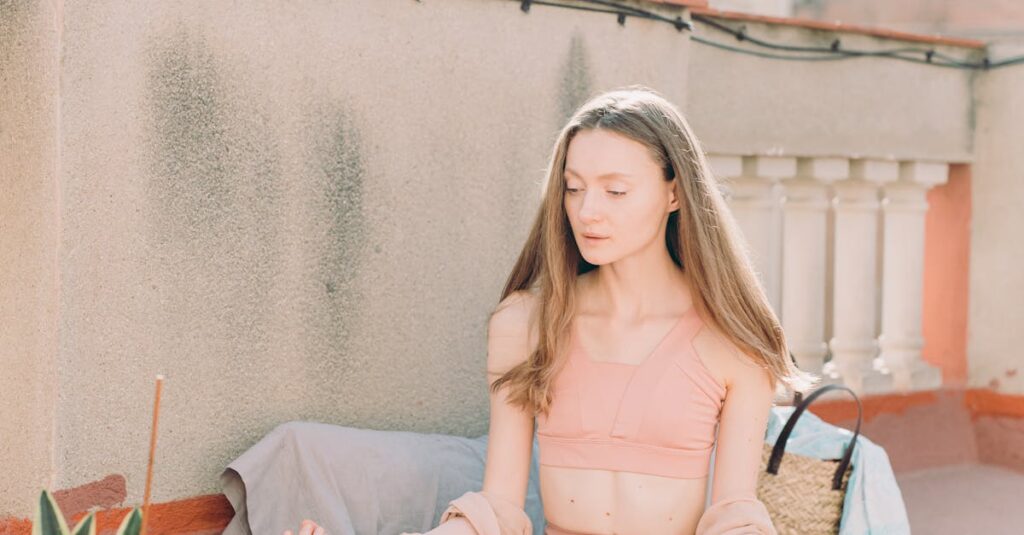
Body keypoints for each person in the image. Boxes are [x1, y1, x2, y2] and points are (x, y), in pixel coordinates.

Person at [290, 86, 820, 535]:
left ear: (674, 193)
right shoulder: (524, 324)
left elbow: (734, 511)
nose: (588, 212)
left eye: (615, 190)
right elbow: (498, 504)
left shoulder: (733, 339)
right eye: (574, 189)